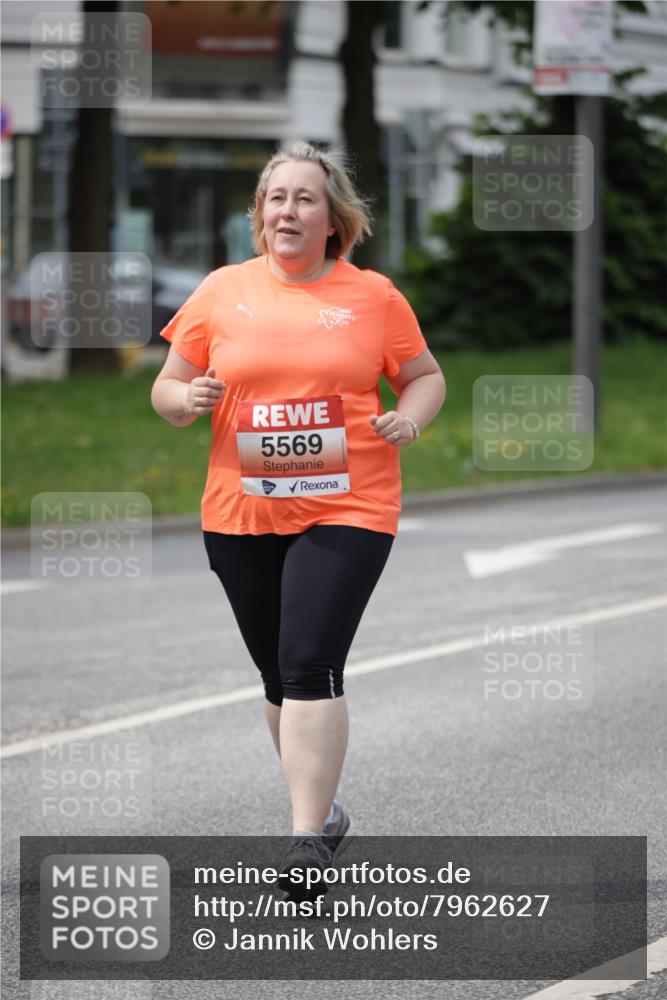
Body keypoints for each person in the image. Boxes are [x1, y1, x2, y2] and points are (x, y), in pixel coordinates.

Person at [150, 140, 446, 901]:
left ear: (331, 216)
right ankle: (323, 811)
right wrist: (187, 403)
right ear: (259, 214)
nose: (288, 210)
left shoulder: (373, 297)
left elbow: (422, 376)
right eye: (276, 197)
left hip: (350, 502)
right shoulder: (221, 290)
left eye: (304, 197)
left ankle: (304, 838)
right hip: (239, 507)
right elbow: (168, 386)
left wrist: (408, 421)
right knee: (277, 672)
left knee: (310, 658)